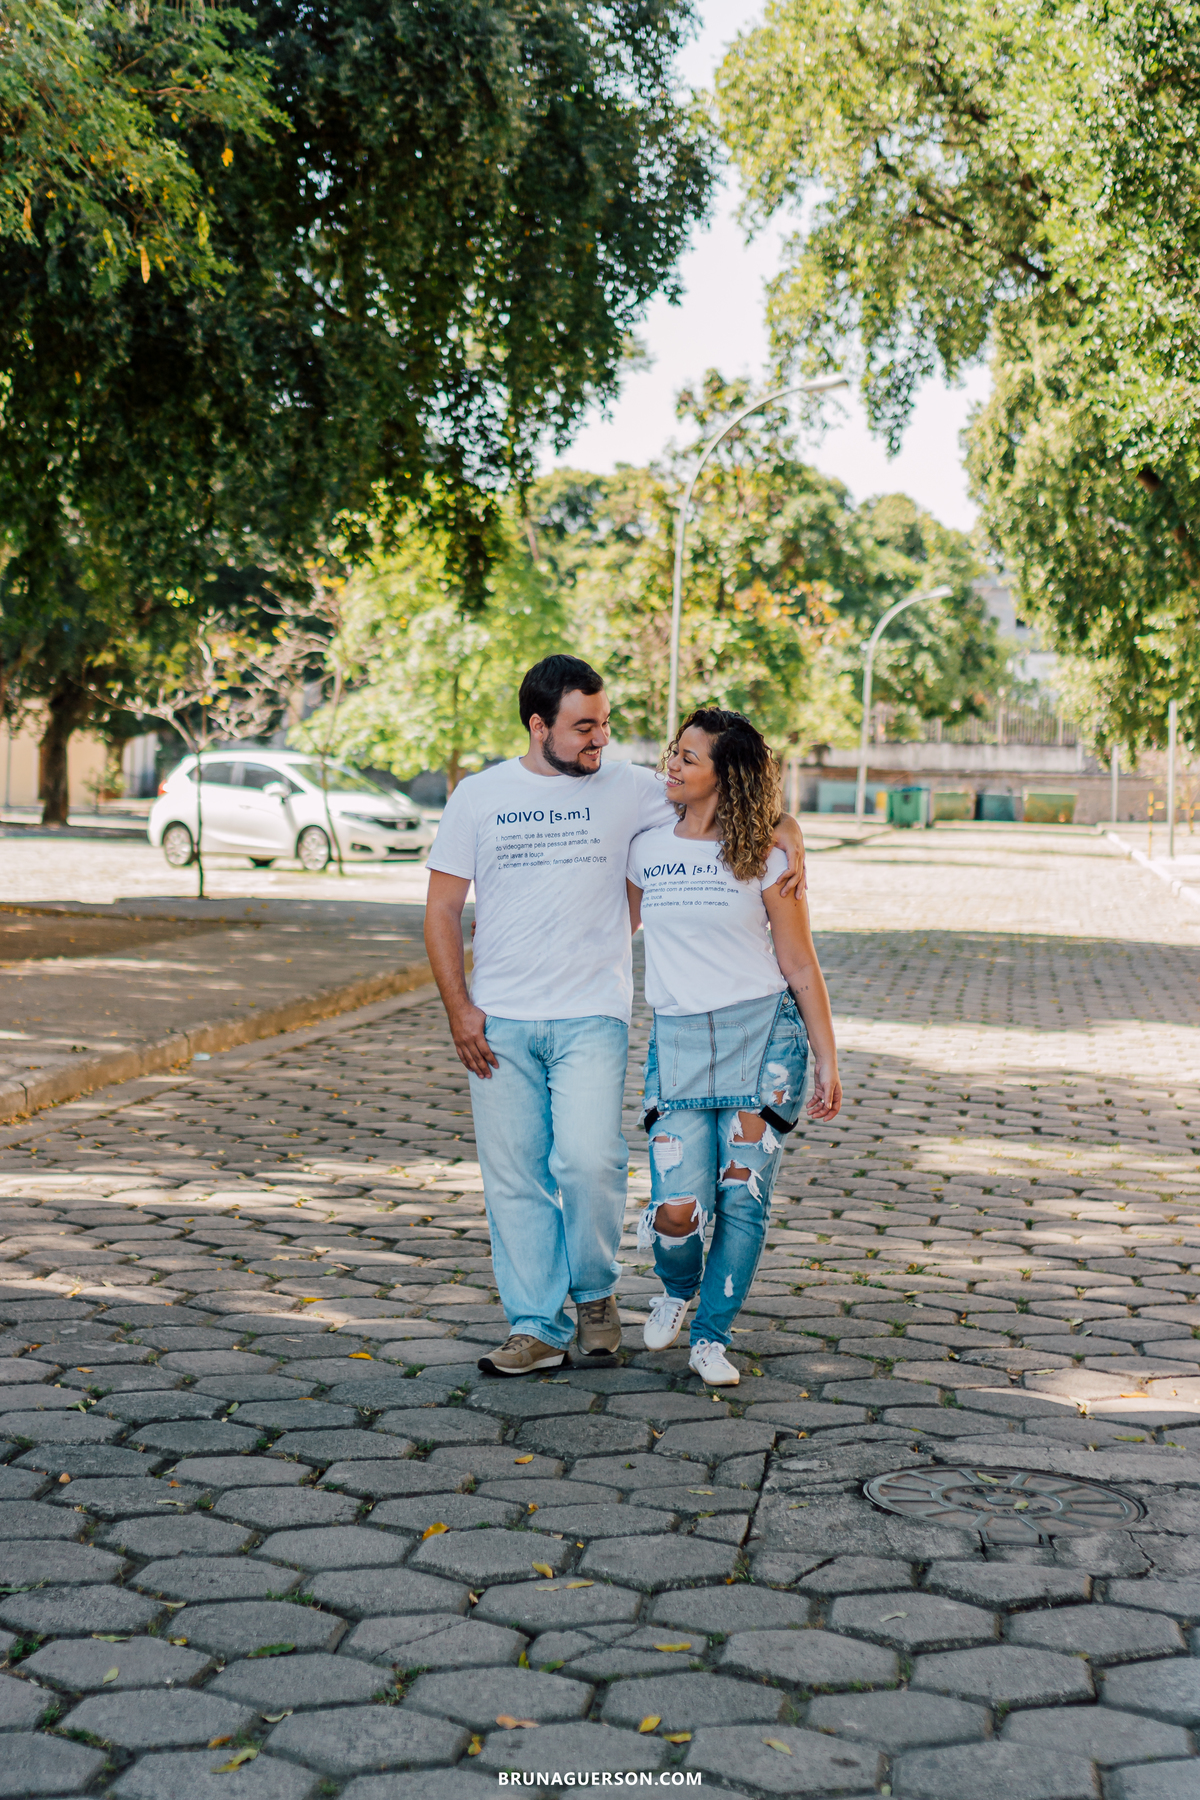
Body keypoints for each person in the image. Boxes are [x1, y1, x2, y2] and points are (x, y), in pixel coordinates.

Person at [423, 654, 807, 1377]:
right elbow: (442, 910)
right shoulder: (478, 796)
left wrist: (790, 827)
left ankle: (595, 1292)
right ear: (539, 727)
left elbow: (731, 791)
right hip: (499, 1018)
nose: (600, 739)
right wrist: (459, 1010)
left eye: (604, 723)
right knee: (513, 1177)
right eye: (583, 727)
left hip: (592, 1013)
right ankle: (536, 1325)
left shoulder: (630, 789)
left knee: (589, 1162)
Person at [625, 706, 841, 1386]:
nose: (674, 763)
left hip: (763, 1040)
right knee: (677, 1210)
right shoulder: (646, 844)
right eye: (675, 750)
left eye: (690, 756)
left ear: (728, 774)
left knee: (742, 1198)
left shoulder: (770, 857)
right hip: (680, 1039)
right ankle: (674, 1285)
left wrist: (828, 1057)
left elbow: (800, 966)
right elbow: (608, 932)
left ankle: (712, 1338)